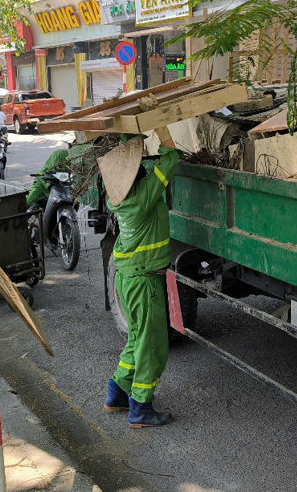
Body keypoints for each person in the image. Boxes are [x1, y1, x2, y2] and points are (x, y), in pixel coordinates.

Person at [98, 129, 178, 428]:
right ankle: (141, 408)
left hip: (129, 278)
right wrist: (162, 126)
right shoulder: (144, 197)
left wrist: (131, 139)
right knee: (151, 346)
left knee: (136, 338)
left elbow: (126, 162)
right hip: (144, 283)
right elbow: (172, 158)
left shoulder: (121, 198)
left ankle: (117, 391)